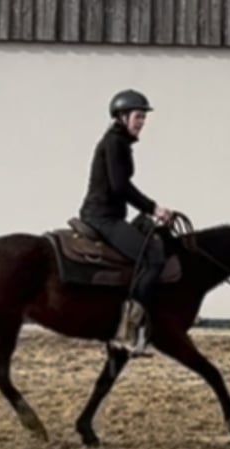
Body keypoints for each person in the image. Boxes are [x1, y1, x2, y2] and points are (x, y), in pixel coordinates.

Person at [79, 89, 174, 354]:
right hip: (102, 217)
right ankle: (127, 332)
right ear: (122, 117)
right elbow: (120, 186)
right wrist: (154, 208)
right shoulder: (115, 144)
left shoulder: (118, 142)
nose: (142, 122)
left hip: (109, 215)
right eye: (138, 116)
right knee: (152, 256)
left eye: (144, 117)